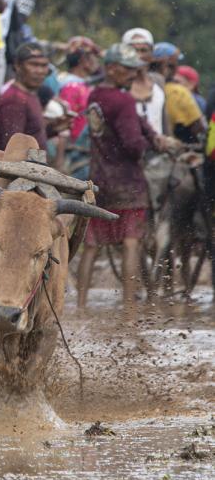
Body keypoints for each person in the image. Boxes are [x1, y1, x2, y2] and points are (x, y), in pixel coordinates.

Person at [77, 44, 171, 311]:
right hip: (127, 183)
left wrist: (151, 135)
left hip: (99, 180)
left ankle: (80, 308)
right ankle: (129, 310)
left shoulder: (96, 96)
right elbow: (133, 145)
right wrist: (153, 144)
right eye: (128, 69)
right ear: (112, 68)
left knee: (92, 245)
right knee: (131, 244)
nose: (133, 73)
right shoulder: (124, 101)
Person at [0, 42, 65, 150]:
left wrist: (54, 129)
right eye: (34, 64)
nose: (40, 71)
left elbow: (30, 137)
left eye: (44, 65)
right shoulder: (15, 99)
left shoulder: (30, 94)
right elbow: (12, 149)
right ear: (18, 66)